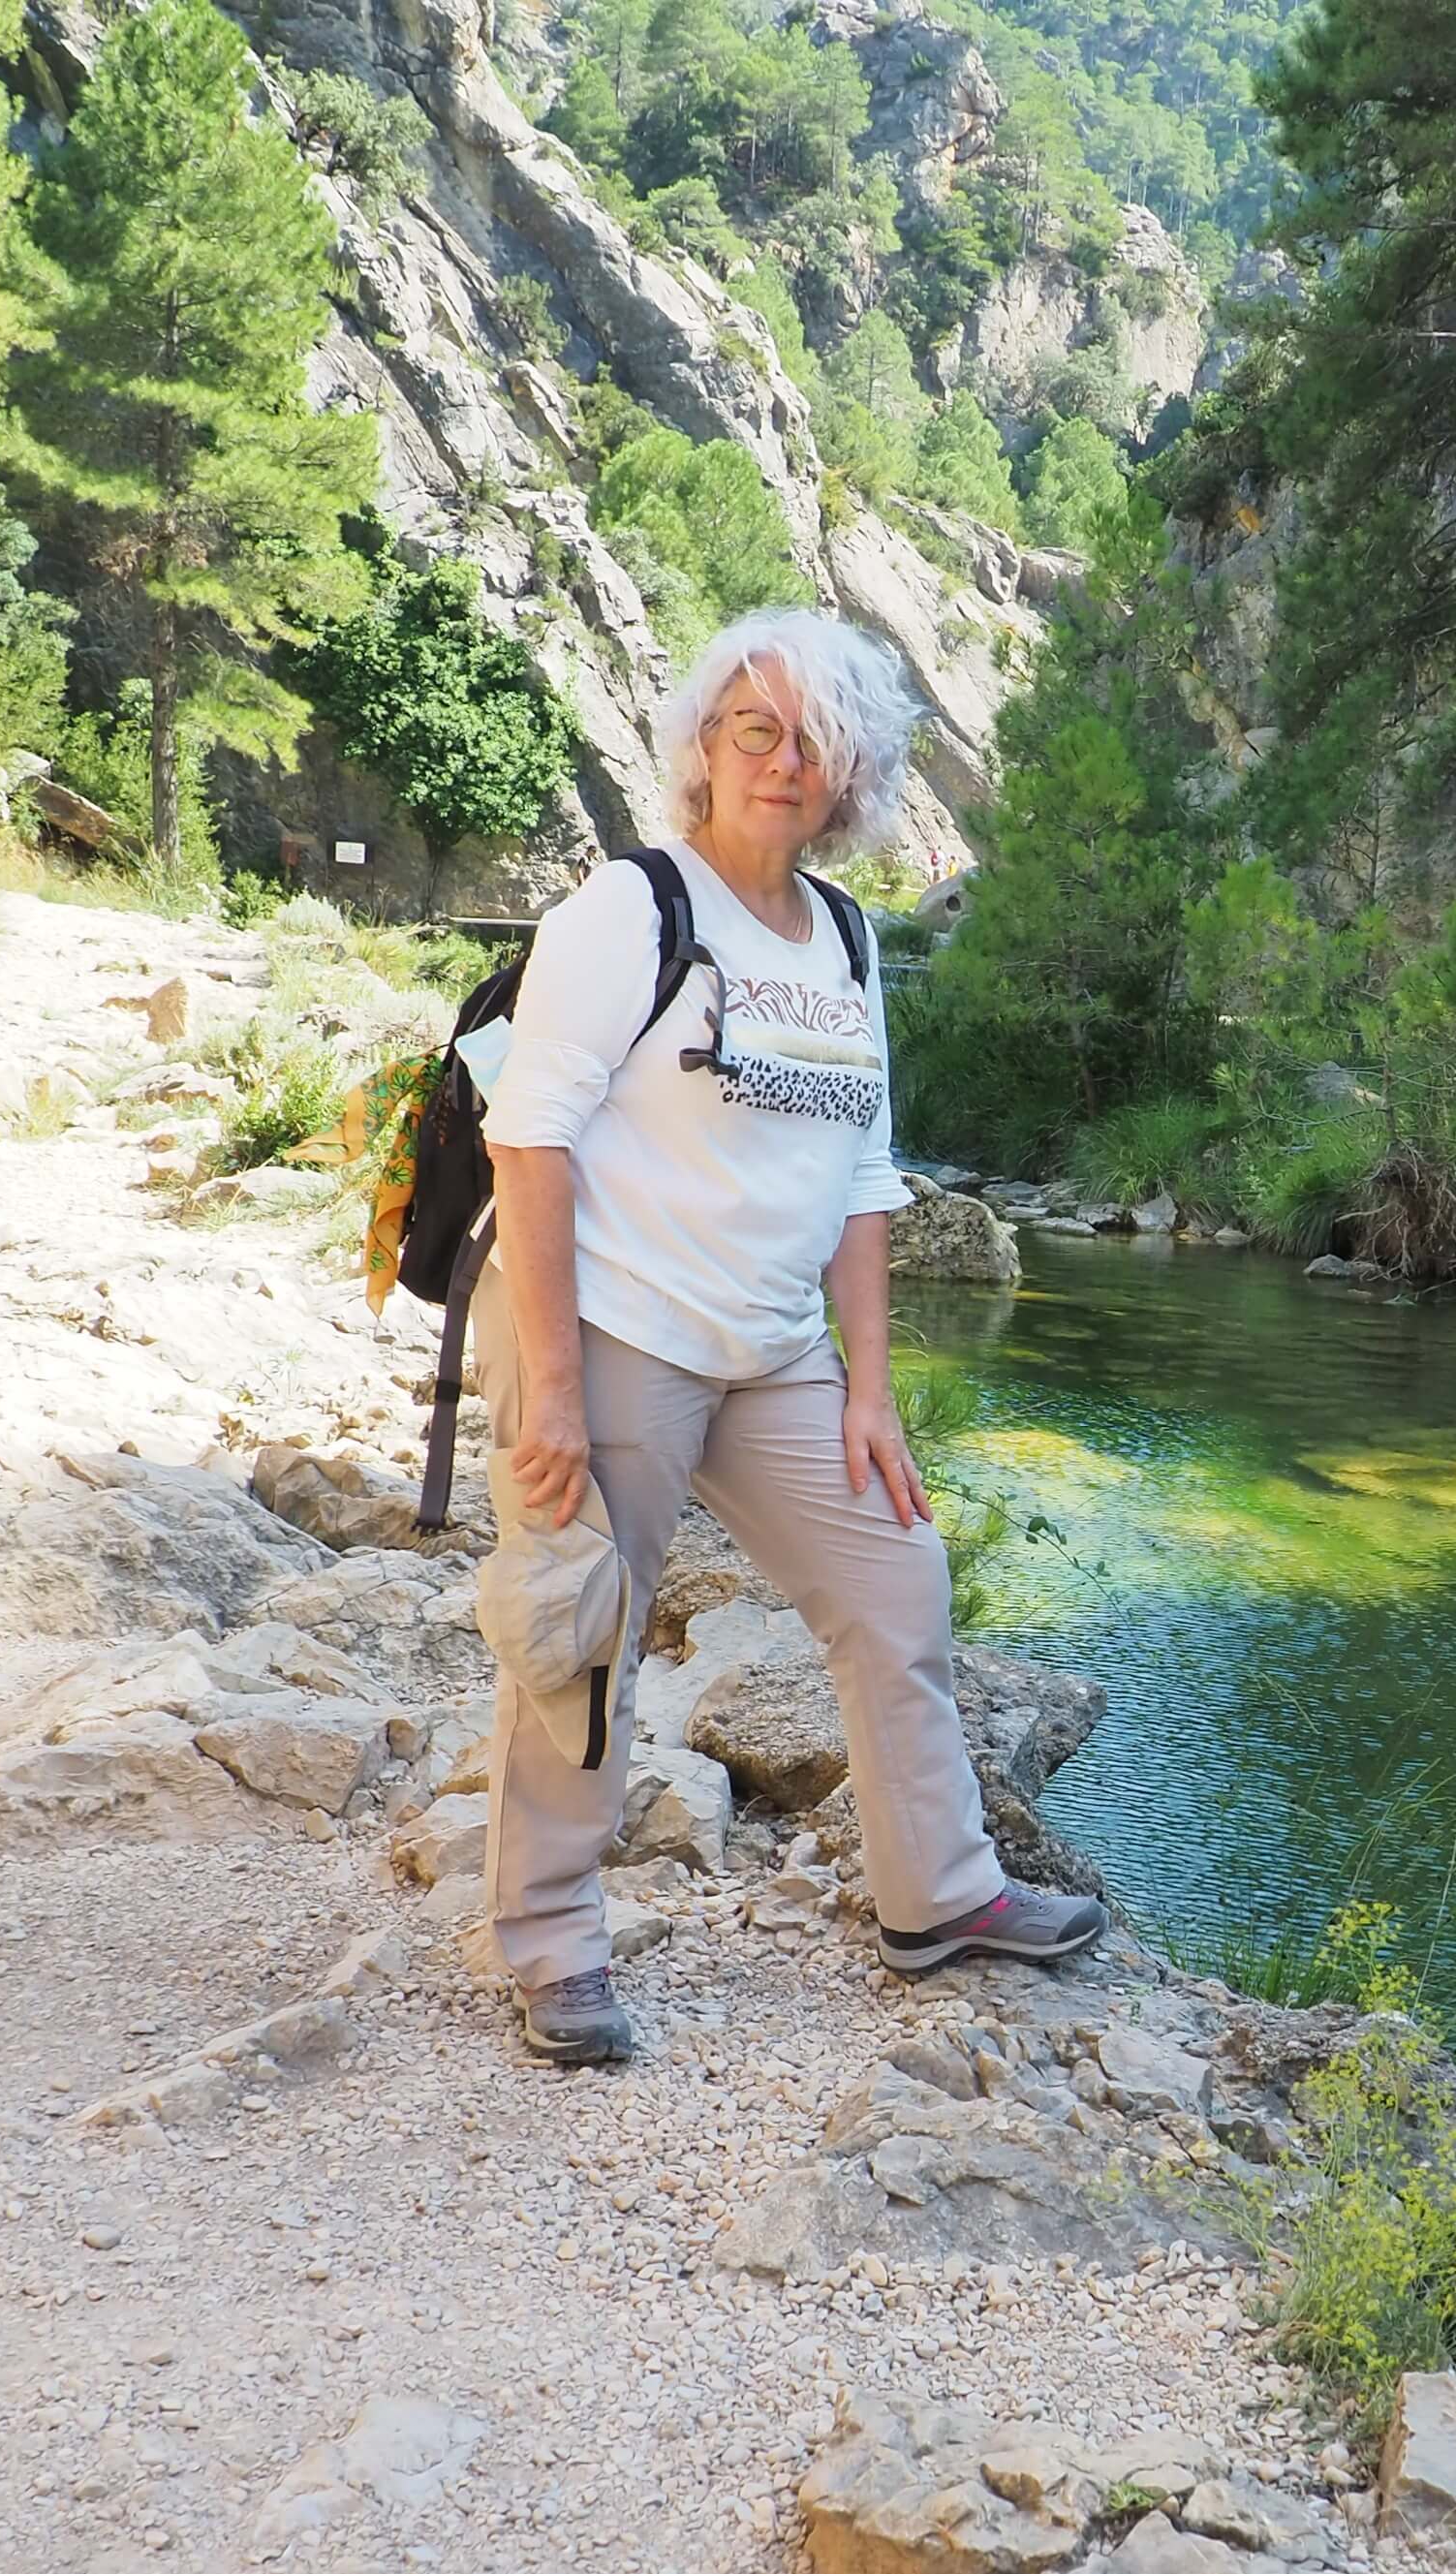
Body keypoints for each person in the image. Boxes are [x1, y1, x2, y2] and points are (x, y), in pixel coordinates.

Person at [475, 607, 1104, 2065]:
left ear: (851, 778)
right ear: (706, 745)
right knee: (585, 1637)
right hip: (616, 1329)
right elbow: (531, 1141)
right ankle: (554, 1941)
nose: (781, 758)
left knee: (896, 1574)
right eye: (754, 727)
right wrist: (555, 1385)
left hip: (773, 1352)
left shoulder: (844, 938)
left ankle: (938, 1893)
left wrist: (869, 1385)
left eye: (813, 740)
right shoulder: (631, 911)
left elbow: (867, 1180)